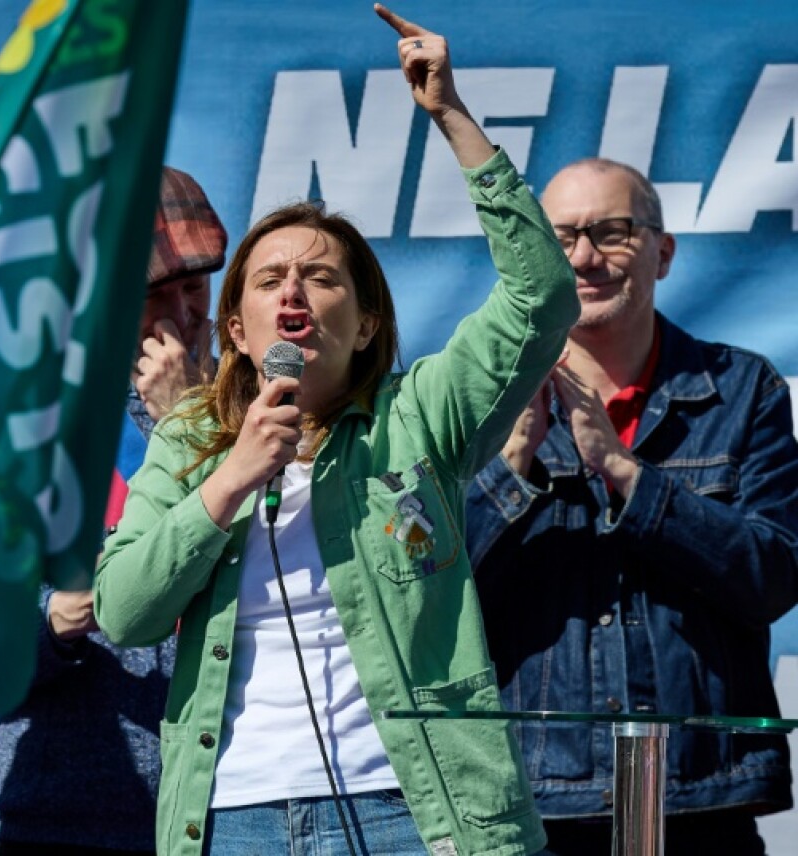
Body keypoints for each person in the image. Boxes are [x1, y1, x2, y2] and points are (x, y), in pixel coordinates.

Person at [93, 7, 580, 856]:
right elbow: (126, 612)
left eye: (320, 277)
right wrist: (231, 476)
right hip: (235, 816)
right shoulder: (190, 441)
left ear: (365, 323)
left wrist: (452, 117)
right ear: (238, 329)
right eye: (269, 280)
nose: (292, 291)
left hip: (412, 810)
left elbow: (542, 299)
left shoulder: (419, 414)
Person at [465, 154, 798, 855]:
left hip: (701, 801)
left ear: (663, 253)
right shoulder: (473, 397)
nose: (585, 258)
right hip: (533, 807)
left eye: (612, 232)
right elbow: (424, 594)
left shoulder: (742, 389)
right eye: (561, 237)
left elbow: (771, 577)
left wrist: (625, 473)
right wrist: (513, 461)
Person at [0, 166, 228, 855]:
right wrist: (54, 623)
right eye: (155, 295)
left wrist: (184, 417)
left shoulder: (260, 415)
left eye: (195, 286)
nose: (184, 312)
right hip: (67, 817)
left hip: (231, 814)